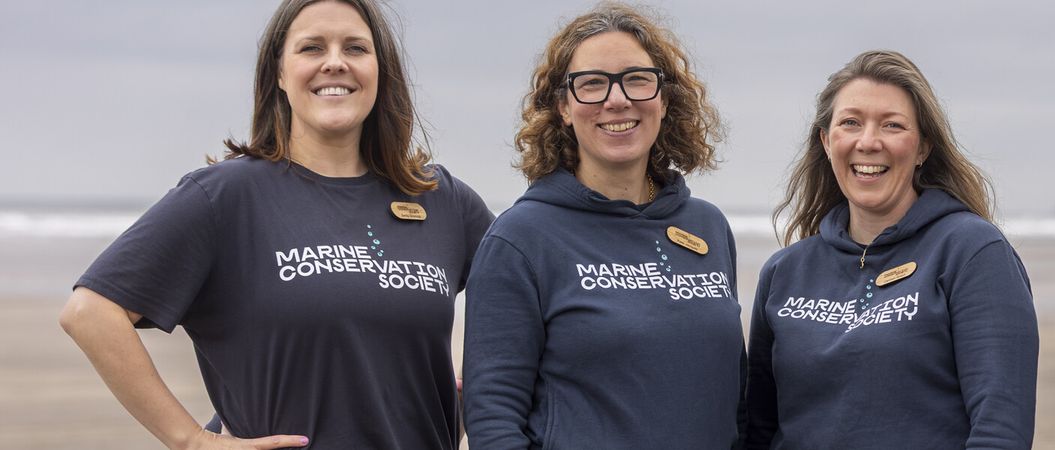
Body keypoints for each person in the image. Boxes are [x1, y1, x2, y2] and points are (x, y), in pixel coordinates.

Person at [58, 1, 493, 448]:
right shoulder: (225, 198)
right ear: (279, 74)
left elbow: (530, 297)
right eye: (311, 48)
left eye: (356, 48)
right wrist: (189, 439)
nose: (335, 62)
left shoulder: (440, 198)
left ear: (381, 72)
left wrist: (478, 392)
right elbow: (90, 312)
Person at [460, 3, 743, 449]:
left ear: (664, 100)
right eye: (592, 83)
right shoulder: (521, 239)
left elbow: (734, 399)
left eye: (637, 79)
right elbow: (493, 416)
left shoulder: (707, 227)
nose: (617, 99)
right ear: (564, 108)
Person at [745, 50, 1039, 449]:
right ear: (827, 142)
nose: (869, 142)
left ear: (922, 148)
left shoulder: (972, 252)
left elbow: (1000, 429)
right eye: (850, 123)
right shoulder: (784, 272)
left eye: (892, 125)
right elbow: (758, 430)